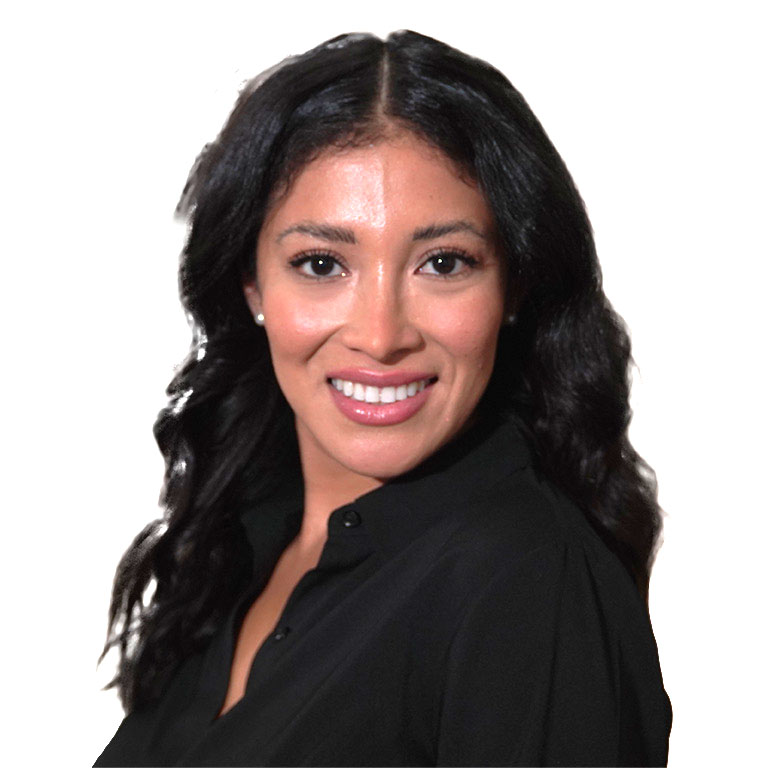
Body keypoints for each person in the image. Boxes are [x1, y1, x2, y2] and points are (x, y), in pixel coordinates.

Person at [95, 30, 672, 767]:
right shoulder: (242, 543)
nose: (380, 335)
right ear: (252, 284)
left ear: (514, 286)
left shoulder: (526, 579)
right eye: (321, 264)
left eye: (443, 263)